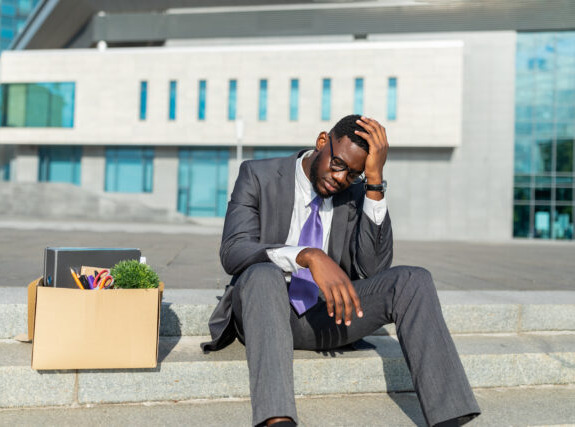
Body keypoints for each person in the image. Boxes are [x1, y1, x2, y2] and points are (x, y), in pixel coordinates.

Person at [201, 114, 481, 427]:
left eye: (353, 174)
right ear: (322, 141)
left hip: (327, 314)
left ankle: (449, 418)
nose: (340, 178)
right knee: (263, 273)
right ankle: (277, 420)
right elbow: (234, 251)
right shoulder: (258, 174)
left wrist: (374, 185)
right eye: (338, 164)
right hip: (263, 308)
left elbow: (373, 269)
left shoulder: (355, 192)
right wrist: (307, 256)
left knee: (413, 280)